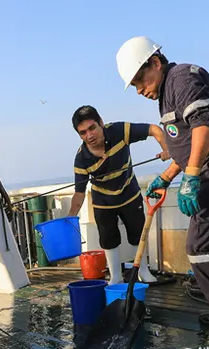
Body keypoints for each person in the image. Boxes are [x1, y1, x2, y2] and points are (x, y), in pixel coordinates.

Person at [116, 36, 209, 344]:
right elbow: (185, 145)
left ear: (155, 62)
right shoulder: (166, 93)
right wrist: (167, 176)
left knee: (200, 246)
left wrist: (191, 177)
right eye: (135, 85)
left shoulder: (180, 79)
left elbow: (203, 126)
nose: (140, 89)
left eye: (140, 79)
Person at [68, 105, 169, 285]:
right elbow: (79, 193)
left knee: (138, 234)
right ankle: (115, 277)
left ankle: (143, 271)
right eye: (83, 133)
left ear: (101, 123)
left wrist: (166, 148)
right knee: (108, 239)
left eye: (92, 128)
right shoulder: (81, 159)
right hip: (103, 201)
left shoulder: (120, 131)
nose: (89, 136)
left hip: (129, 193)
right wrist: (69, 218)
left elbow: (154, 129)